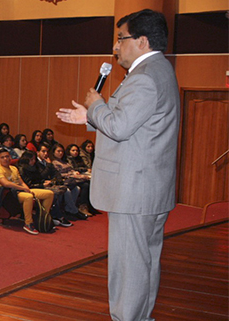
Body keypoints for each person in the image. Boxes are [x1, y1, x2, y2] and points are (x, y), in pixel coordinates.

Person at [56, 10, 180, 320]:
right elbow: (134, 126)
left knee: (129, 267)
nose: (116, 46)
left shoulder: (146, 77)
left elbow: (122, 126)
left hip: (134, 190)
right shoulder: (159, 70)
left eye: (121, 38)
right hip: (146, 188)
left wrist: (96, 104)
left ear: (141, 41)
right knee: (143, 262)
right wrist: (90, 117)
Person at [0, 149, 54, 235]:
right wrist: (23, 189)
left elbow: (21, 182)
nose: (5, 159)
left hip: (21, 190)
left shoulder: (13, 168)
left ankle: (43, 218)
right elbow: (5, 184)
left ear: (10, 157)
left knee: (49, 194)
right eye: (2, 157)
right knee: (28, 197)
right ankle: (28, 223)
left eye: (7, 156)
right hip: (10, 194)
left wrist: (27, 189)